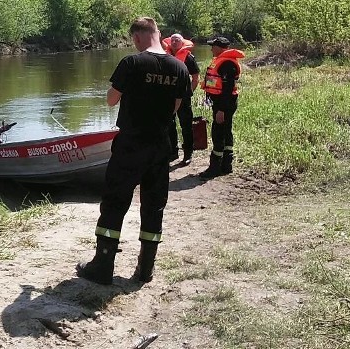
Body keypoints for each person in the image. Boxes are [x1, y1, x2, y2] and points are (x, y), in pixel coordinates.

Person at [76, 17, 189, 285]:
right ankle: (145, 270)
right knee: (154, 205)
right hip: (161, 146)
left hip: (131, 144)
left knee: (115, 202)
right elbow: (175, 106)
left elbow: (111, 99)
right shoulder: (180, 68)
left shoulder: (132, 63)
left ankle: (102, 265)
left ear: (137, 37)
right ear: (157, 34)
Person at [199, 36, 246, 178]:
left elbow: (227, 89)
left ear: (220, 47)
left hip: (224, 104)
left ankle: (215, 168)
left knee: (218, 133)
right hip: (221, 102)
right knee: (225, 131)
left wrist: (221, 110)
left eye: (213, 46)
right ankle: (226, 166)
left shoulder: (227, 64)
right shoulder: (222, 61)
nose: (211, 49)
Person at [162, 33, 200, 164]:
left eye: (177, 40)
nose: (174, 42)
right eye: (172, 40)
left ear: (182, 42)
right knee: (169, 125)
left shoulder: (188, 58)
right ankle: (173, 152)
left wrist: (189, 92)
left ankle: (188, 153)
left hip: (183, 97)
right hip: (167, 98)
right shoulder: (164, 56)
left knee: (186, 125)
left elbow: (195, 78)